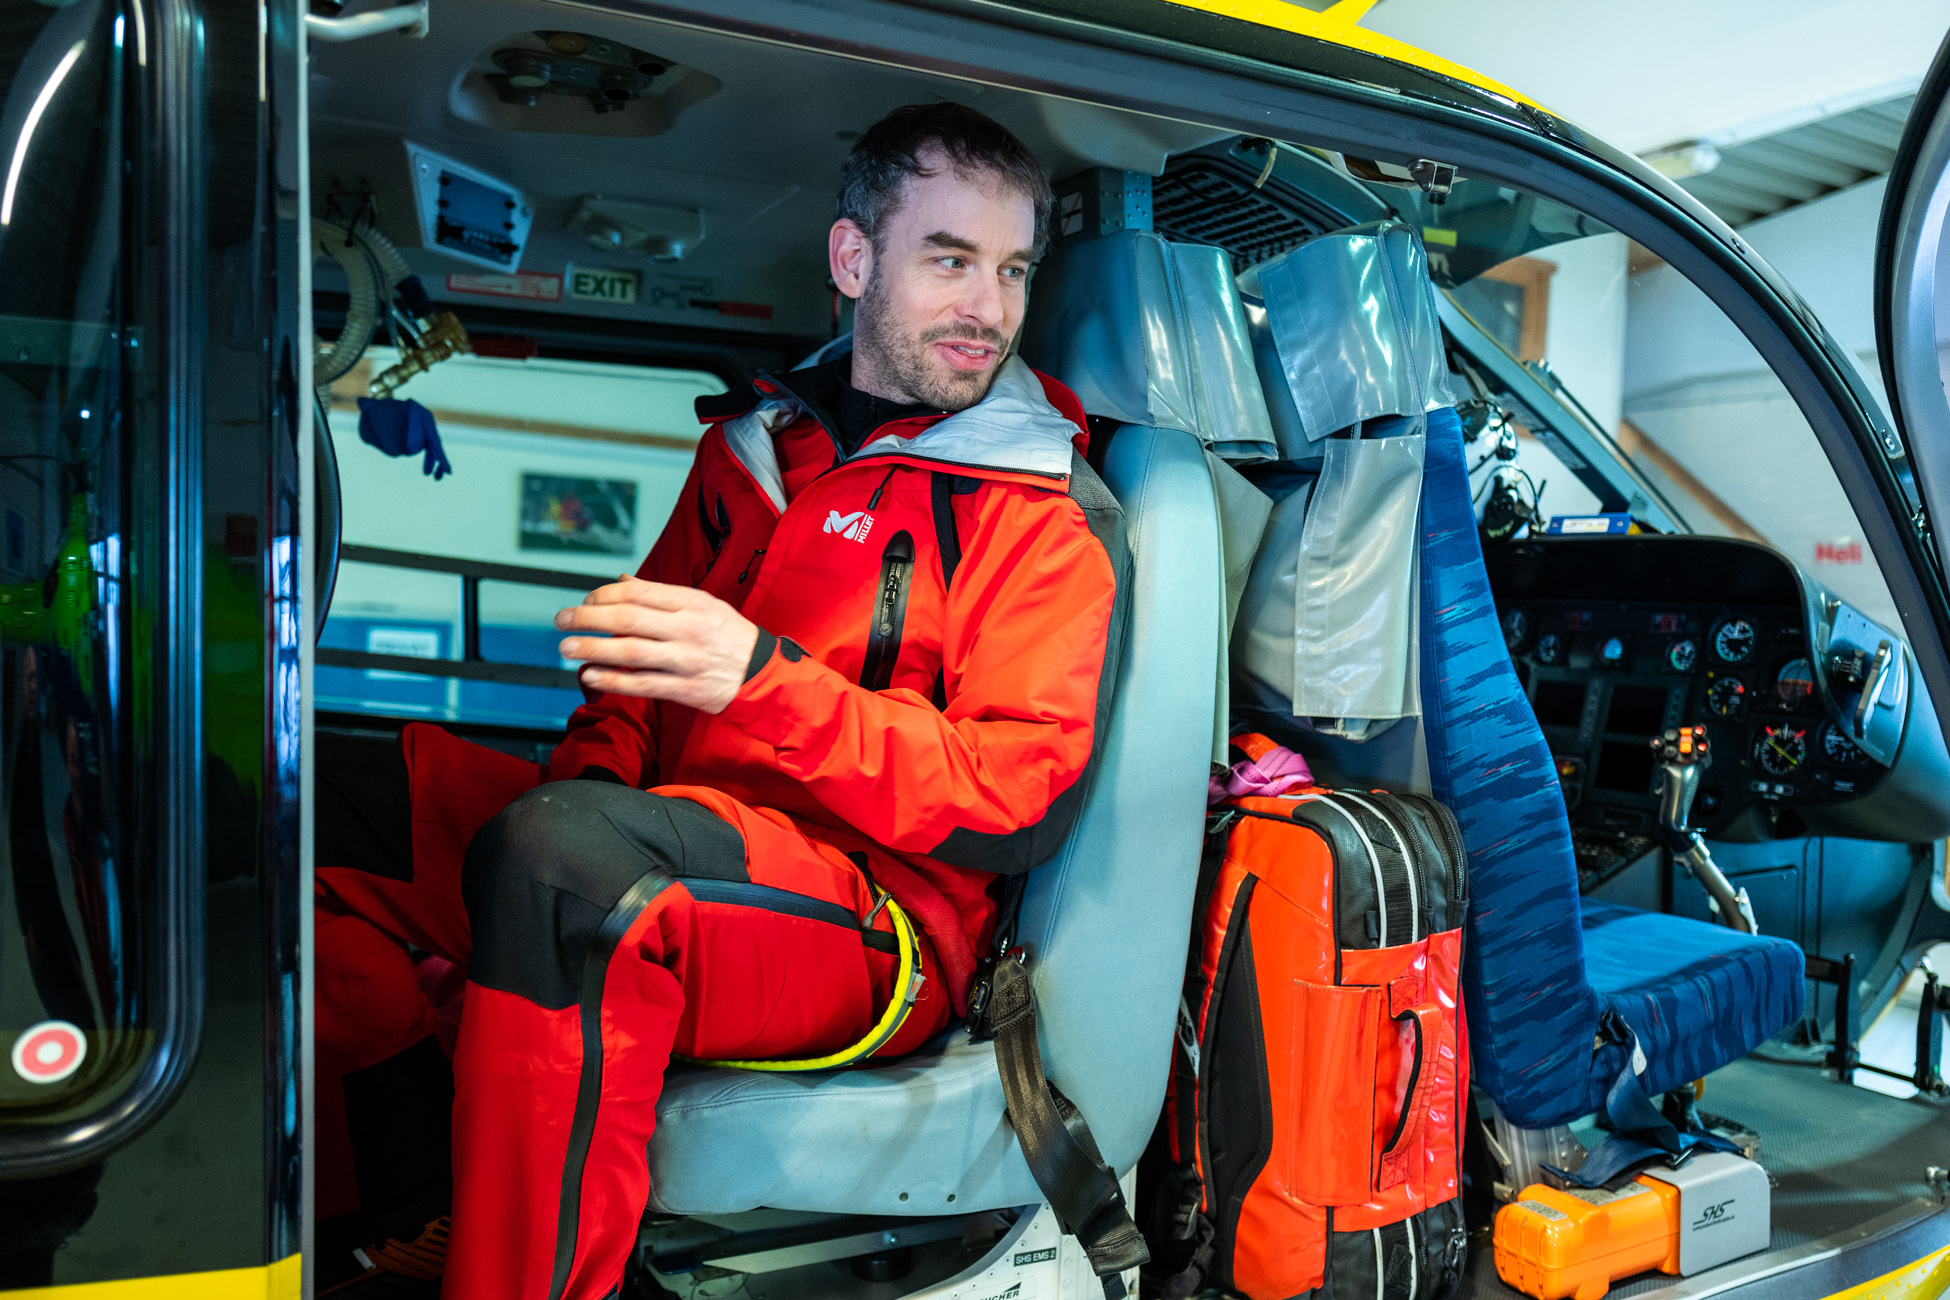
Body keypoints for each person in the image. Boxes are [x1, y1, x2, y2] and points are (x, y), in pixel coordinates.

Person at [312, 101, 1130, 1300]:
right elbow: (633, 675)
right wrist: (592, 783)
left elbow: (1014, 802)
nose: (989, 309)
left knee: (570, 873)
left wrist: (760, 681)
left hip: (881, 923)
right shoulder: (754, 449)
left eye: (1011, 271)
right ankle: (370, 1224)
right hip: (683, 842)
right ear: (853, 259)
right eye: (951, 260)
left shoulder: (1041, 514)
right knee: (332, 798)